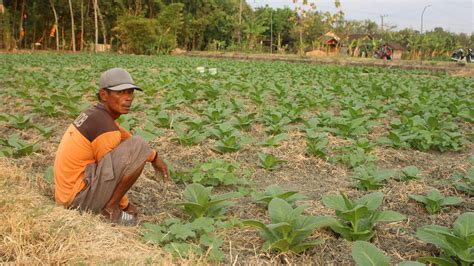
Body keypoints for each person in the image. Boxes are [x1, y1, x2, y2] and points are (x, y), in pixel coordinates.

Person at [54, 68, 170, 225]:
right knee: (139, 145)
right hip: (77, 200)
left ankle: (110, 206)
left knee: (137, 145)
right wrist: (124, 205)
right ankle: (110, 210)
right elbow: (110, 175)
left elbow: (123, 136)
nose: (128, 98)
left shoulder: (96, 115)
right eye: (121, 92)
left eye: (130, 93)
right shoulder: (104, 126)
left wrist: (154, 157)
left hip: (66, 195)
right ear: (104, 95)